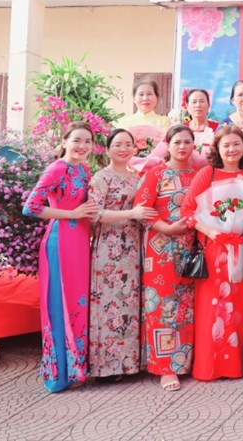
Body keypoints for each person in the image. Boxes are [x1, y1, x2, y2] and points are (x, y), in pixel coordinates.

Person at [23, 121, 99, 392]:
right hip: (60, 241)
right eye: (76, 140)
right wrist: (72, 214)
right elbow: (31, 207)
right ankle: (57, 376)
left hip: (80, 242)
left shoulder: (84, 170)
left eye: (87, 141)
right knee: (59, 304)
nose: (82, 146)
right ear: (64, 141)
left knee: (77, 303)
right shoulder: (56, 169)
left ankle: (75, 370)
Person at [182, 125, 243, 381]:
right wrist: (210, 231)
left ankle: (237, 365)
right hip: (213, 246)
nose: (232, 149)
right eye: (226, 145)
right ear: (217, 148)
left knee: (240, 302)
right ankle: (210, 366)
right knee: (213, 305)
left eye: (237, 144)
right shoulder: (207, 173)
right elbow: (187, 211)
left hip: (242, 244)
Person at [87, 129, 155, 380]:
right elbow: (94, 214)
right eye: (118, 144)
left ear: (135, 149)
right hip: (110, 248)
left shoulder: (138, 177)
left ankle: (130, 363)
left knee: (130, 303)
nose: (123, 149)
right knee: (110, 304)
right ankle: (107, 367)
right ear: (108, 149)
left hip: (134, 247)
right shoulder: (101, 178)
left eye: (128, 144)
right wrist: (131, 214)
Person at [136, 125, 198, 391]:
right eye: (177, 142)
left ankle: (185, 361)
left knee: (187, 307)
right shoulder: (156, 173)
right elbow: (142, 209)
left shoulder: (198, 175)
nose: (182, 147)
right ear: (168, 145)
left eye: (187, 142)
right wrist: (167, 228)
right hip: (160, 248)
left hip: (190, 248)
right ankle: (165, 368)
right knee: (161, 306)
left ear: (194, 145)